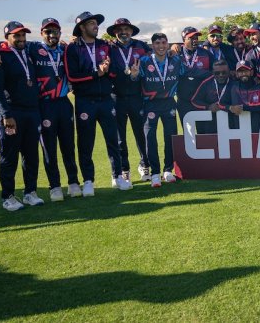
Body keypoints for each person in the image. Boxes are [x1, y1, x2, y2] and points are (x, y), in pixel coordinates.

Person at [0, 18, 81, 201]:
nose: (52, 35)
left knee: (64, 147)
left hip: (59, 104)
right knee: (47, 150)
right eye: (48, 31)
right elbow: (5, 45)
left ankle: (71, 183)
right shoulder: (32, 48)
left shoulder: (65, 49)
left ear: (60, 33)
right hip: (42, 105)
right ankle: (53, 186)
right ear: (41, 34)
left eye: (55, 31)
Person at [65, 11, 131, 194]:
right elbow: (72, 76)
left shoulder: (104, 45)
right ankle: (88, 181)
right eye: (92, 23)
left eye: (96, 23)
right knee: (86, 143)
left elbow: (114, 72)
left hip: (106, 100)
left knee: (113, 140)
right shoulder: (73, 48)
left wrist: (107, 70)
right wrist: (96, 73)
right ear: (82, 27)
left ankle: (117, 176)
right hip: (85, 101)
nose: (96, 26)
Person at [0, 21, 44, 210]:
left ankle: (30, 193)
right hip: (11, 113)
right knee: (9, 156)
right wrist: (6, 114)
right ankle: (8, 197)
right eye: (16, 36)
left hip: (31, 111)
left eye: (23, 35)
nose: (21, 39)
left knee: (31, 156)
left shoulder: (28, 51)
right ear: (7, 38)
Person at [131, 33, 184, 187]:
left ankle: (168, 170)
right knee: (150, 139)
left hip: (169, 103)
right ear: (152, 45)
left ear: (167, 44)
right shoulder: (144, 61)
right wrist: (133, 75)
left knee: (170, 137)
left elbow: (186, 75)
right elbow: (134, 78)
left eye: (163, 42)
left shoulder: (175, 60)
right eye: (157, 43)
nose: (161, 46)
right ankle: (155, 173)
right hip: (150, 104)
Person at [107, 18, 151, 183]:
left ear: (131, 31)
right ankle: (124, 169)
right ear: (115, 32)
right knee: (120, 138)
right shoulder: (109, 47)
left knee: (141, 134)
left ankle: (144, 165)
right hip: (116, 97)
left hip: (136, 96)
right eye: (120, 29)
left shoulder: (141, 46)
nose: (123, 32)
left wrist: (171, 50)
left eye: (126, 29)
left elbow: (156, 54)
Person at [176, 26, 214, 130]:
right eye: (191, 38)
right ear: (184, 39)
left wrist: (189, 73)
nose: (195, 40)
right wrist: (200, 73)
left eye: (196, 38)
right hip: (184, 100)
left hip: (202, 100)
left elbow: (214, 73)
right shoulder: (176, 54)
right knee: (188, 134)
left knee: (204, 133)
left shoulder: (206, 53)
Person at [190, 59, 235, 133]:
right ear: (213, 72)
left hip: (231, 122)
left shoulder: (235, 83)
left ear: (229, 71)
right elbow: (194, 101)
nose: (221, 75)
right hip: (211, 123)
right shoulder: (206, 83)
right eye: (217, 73)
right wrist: (208, 107)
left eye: (224, 72)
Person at [229, 60, 260, 132]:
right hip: (238, 129)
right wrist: (230, 108)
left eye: (246, 71)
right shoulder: (232, 87)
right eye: (240, 71)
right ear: (236, 74)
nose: (243, 73)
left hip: (259, 130)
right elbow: (222, 103)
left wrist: (245, 107)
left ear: (252, 72)